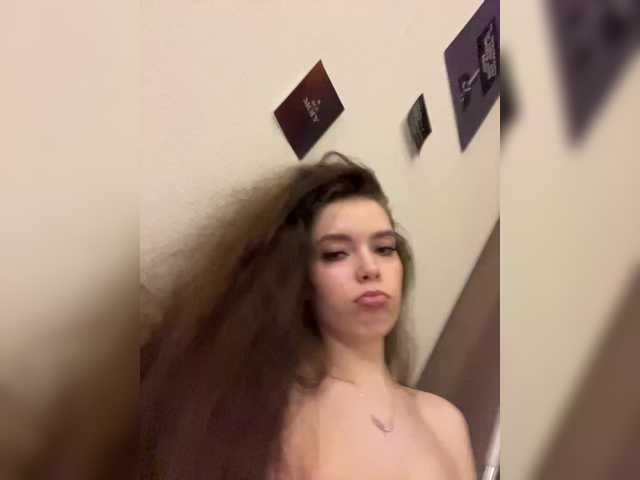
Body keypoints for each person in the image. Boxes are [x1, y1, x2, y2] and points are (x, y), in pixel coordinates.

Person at [140, 151, 476, 480]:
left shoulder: (446, 422)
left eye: (384, 248)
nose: (370, 268)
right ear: (299, 279)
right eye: (336, 253)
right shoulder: (267, 425)